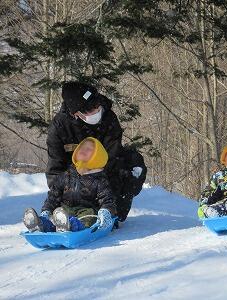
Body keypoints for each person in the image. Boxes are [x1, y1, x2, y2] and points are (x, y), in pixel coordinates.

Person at [46, 81, 147, 221]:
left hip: (101, 175)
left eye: (96, 106)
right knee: (65, 201)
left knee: (133, 161)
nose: (96, 112)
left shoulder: (108, 118)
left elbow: (112, 156)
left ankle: (113, 211)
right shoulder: (59, 127)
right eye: (89, 111)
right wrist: (60, 196)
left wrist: (101, 191)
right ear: (75, 114)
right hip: (72, 179)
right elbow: (55, 168)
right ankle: (59, 217)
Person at [23, 137, 116, 232]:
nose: (84, 150)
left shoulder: (99, 179)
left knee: (89, 217)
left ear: (97, 156)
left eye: (89, 149)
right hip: (65, 210)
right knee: (58, 215)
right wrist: (47, 210)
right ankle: (42, 224)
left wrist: (105, 211)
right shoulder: (66, 175)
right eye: (82, 148)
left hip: (86, 211)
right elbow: (53, 196)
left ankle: (72, 226)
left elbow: (107, 199)